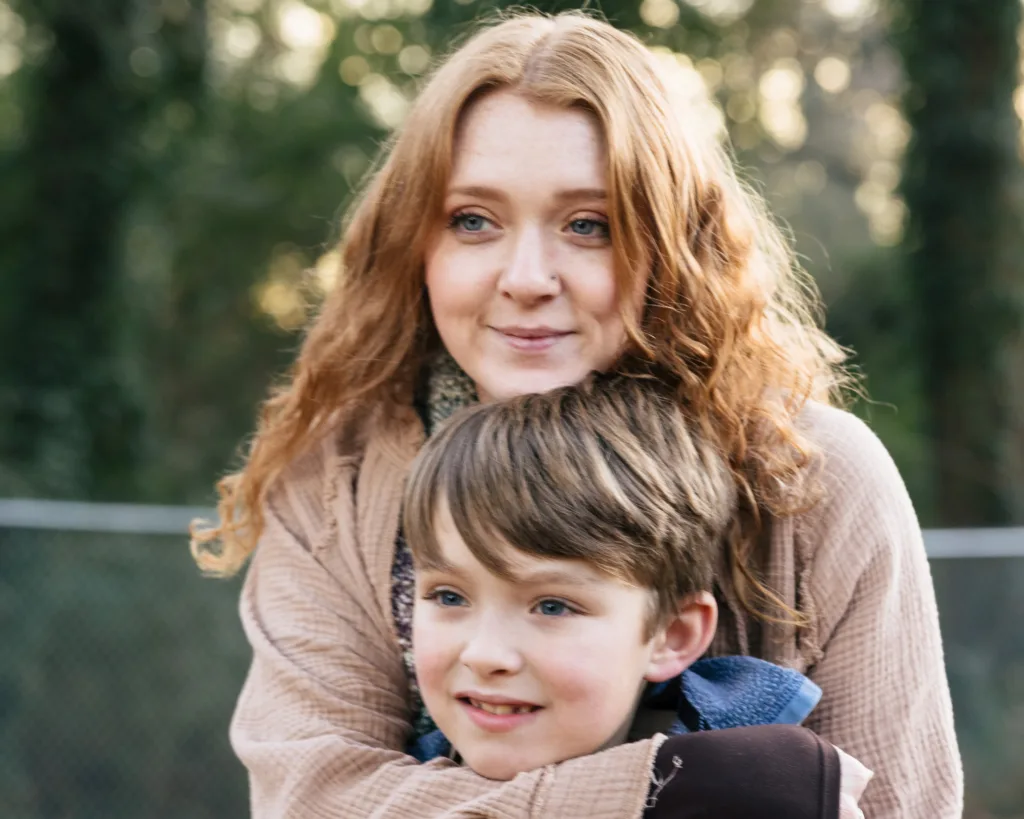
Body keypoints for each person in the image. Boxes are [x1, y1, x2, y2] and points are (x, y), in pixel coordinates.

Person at [191, 11, 962, 818]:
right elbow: (311, 797)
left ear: (669, 244)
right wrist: (665, 793)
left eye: (588, 225)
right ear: (415, 244)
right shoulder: (334, 482)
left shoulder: (816, 477)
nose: (526, 277)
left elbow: (899, 805)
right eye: (473, 220)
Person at [403, 374, 827, 774]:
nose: (484, 655)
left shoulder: (759, 786)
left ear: (672, 635)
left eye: (552, 606)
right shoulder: (393, 784)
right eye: (449, 597)